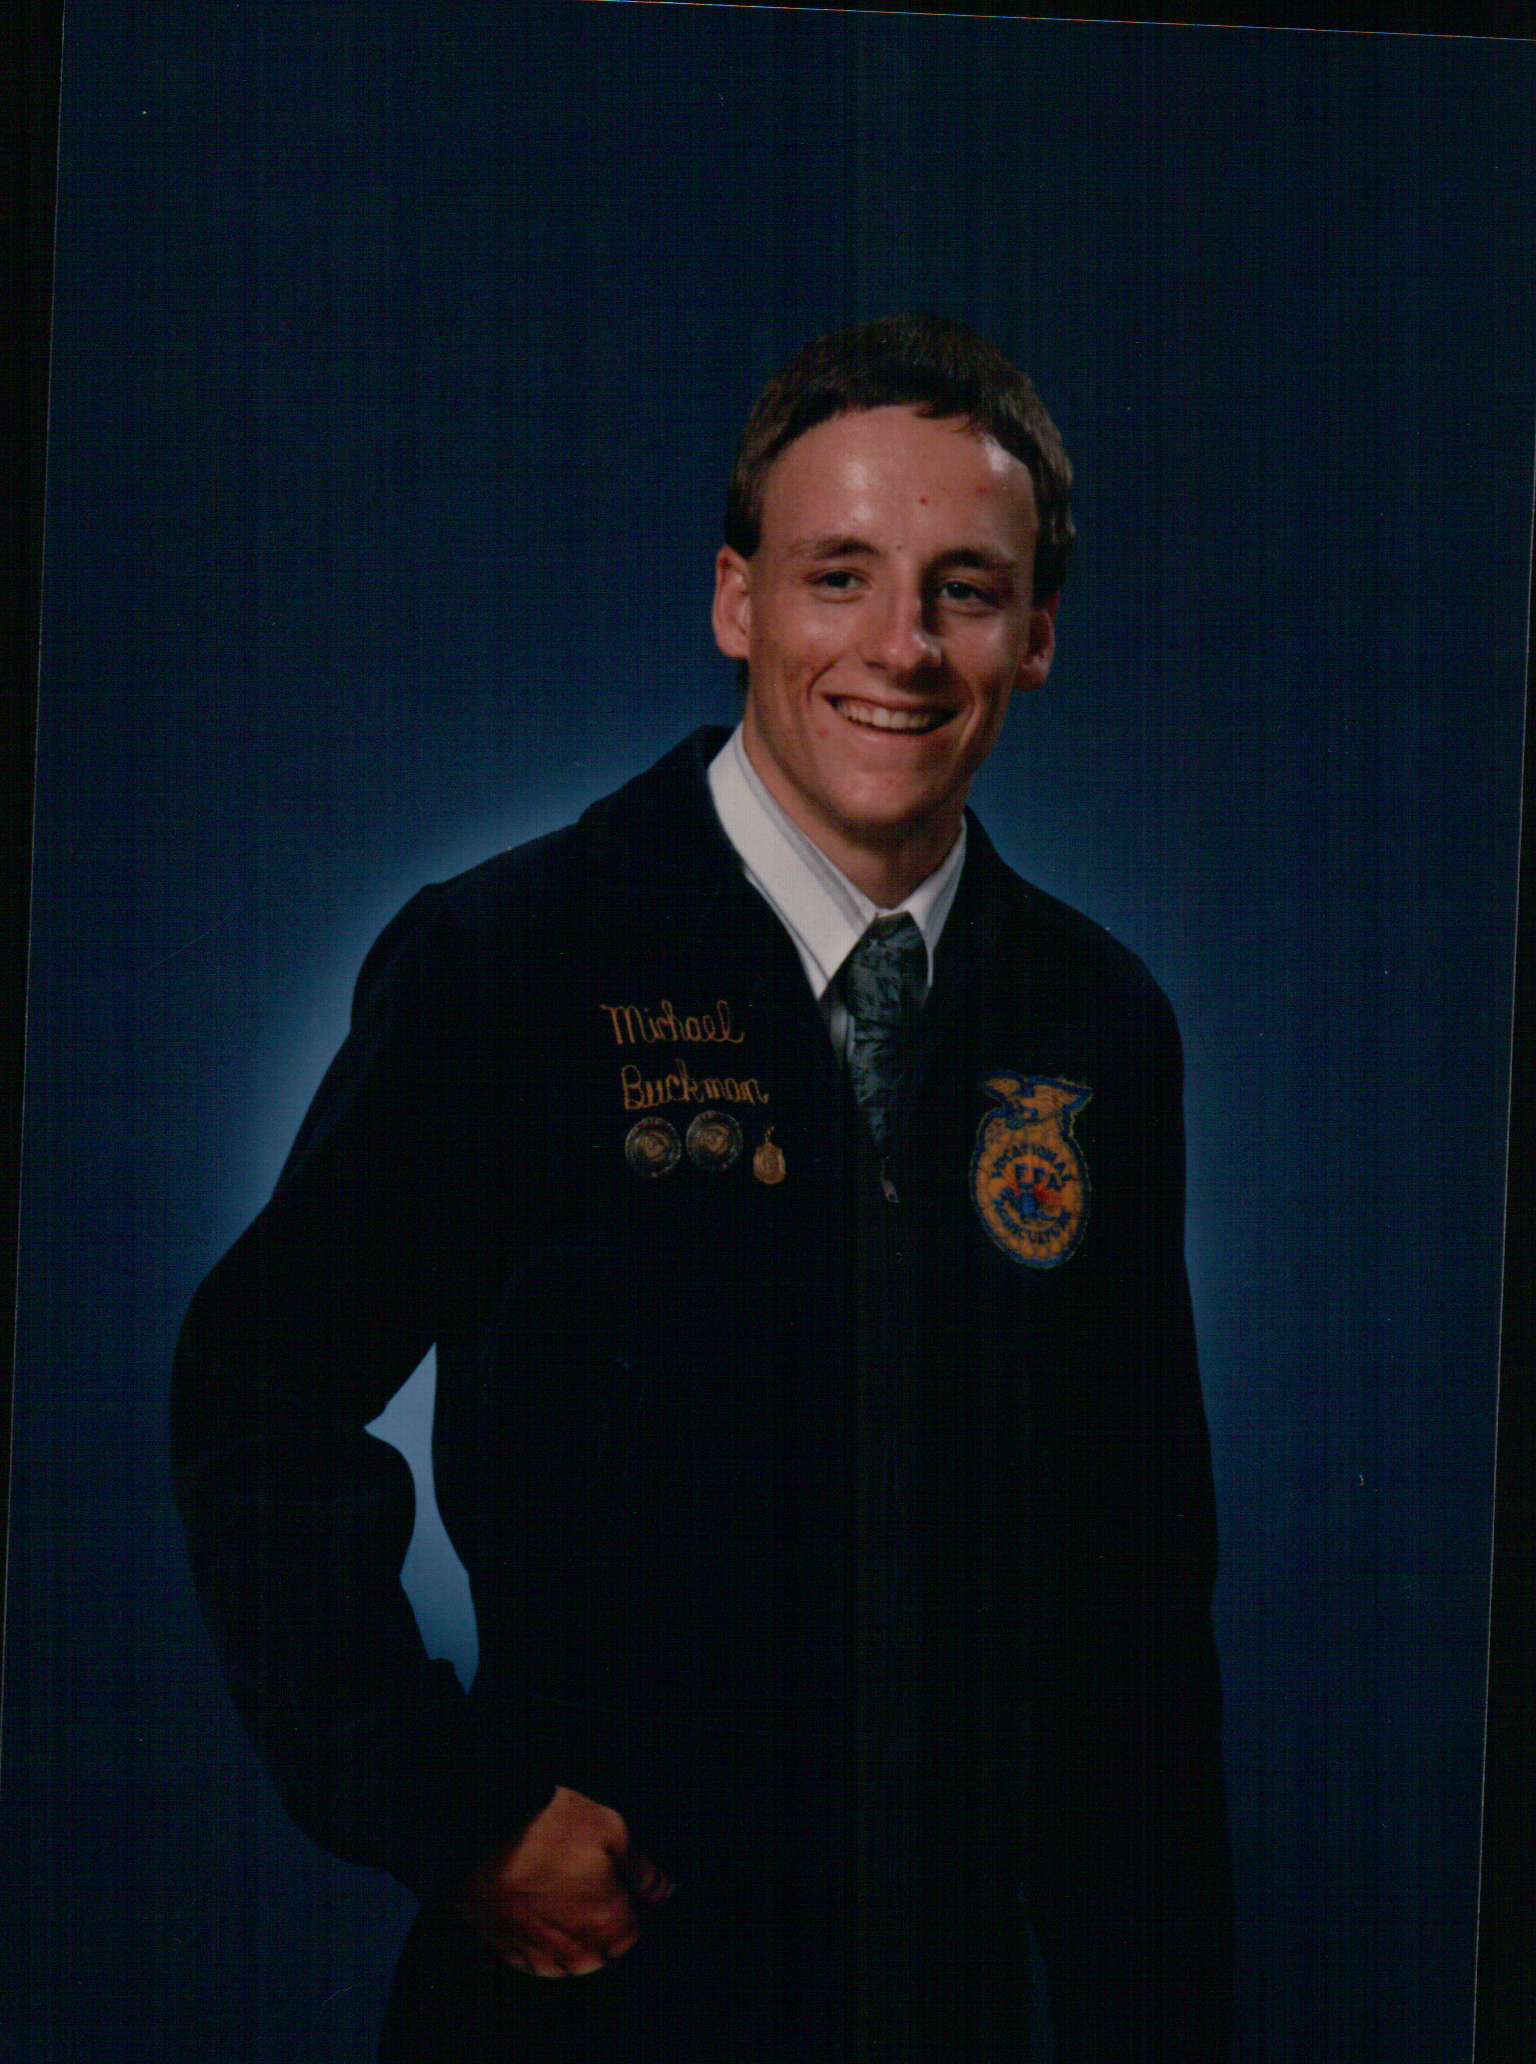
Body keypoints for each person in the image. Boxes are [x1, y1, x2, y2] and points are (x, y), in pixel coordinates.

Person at [172, 314, 1232, 2061]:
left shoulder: (1096, 1022)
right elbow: (253, 1402)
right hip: (595, 1975)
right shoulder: (516, 957)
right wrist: (451, 1812)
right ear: (739, 601)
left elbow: (1143, 1579)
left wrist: (1155, 2020)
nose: (902, 647)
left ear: (1038, 635)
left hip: (943, 1992)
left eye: (966, 591)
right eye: (840, 575)